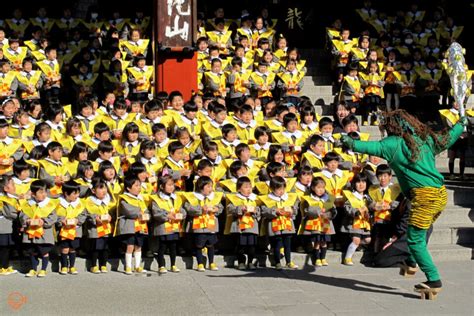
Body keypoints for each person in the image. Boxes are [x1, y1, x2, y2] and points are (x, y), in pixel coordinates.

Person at [340, 109, 468, 294]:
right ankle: (411, 262)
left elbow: (369, 147)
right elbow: (448, 138)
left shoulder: (392, 144)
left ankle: (434, 280)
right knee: (416, 230)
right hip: (439, 194)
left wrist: (350, 142)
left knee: (415, 240)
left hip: (424, 197)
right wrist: (460, 124)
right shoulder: (426, 139)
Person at [183, 176, 223, 272]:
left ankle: (211, 263)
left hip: (211, 225)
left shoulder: (214, 197)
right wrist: (201, 209)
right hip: (199, 227)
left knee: (211, 244)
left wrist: (216, 209)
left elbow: (220, 207)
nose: (211, 189)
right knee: (199, 245)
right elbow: (189, 208)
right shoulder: (193, 197)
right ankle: (200, 263)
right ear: (201, 187)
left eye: (211, 186)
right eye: (208, 187)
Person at [20, 180, 58, 277]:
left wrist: (44, 221)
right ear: (33, 194)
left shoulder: (49, 205)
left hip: (44, 233)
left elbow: (53, 217)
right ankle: (33, 268)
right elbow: (22, 215)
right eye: (40, 192)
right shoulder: (27, 204)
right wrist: (27, 220)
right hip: (31, 232)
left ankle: (43, 269)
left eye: (45, 191)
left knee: (44, 251)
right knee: (32, 251)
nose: (44, 194)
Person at [259, 176, 299, 270]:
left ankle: (289, 261)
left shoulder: (288, 198)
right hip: (275, 226)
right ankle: (277, 262)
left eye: (283, 188)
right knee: (277, 244)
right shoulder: (267, 199)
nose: (281, 191)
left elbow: (295, 209)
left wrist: (292, 211)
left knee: (287, 245)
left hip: (287, 225)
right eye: (278, 189)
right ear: (272, 189)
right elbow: (264, 211)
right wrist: (275, 211)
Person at [150, 175, 186, 273]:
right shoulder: (156, 199)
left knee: (173, 246)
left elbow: (182, 209)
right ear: (161, 186)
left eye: (172, 185)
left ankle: (173, 265)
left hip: (174, 227)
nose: (171, 187)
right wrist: (167, 216)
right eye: (169, 185)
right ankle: (161, 265)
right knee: (162, 246)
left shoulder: (177, 198)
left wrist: (181, 215)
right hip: (163, 227)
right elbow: (156, 213)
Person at [115, 176, 150, 275]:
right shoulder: (124, 198)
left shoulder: (140, 198)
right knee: (130, 246)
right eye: (136, 185)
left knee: (139, 246)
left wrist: (146, 215)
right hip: (130, 226)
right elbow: (128, 211)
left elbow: (146, 210)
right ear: (128, 188)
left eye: (139, 185)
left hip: (141, 225)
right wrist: (140, 213)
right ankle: (128, 266)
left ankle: (138, 266)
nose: (139, 188)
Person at [299, 177, 336, 266]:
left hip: (325, 223)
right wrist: (319, 211)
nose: (321, 190)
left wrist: (330, 213)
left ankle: (323, 257)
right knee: (317, 241)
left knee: (324, 241)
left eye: (322, 188)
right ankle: (317, 258)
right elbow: (307, 210)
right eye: (318, 188)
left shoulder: (328, 198)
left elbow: (333, 209)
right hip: (315, 224)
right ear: (312, 188)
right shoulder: (309, 198)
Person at [226, 176, 260, 270]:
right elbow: (230, 209)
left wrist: (255, 211)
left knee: (252, 245)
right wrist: (240, 208)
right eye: (245, 187)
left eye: (250, 186)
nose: (248, 189)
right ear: (239, 189)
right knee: (241, 245)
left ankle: (250, 262)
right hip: (240, 226)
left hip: (252, 226)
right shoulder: (235, 198)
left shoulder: (255, 199)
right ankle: (241, 261)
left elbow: (259, 211)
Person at [56, 180, 87, 275]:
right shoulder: (58, 203)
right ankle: (64, 266)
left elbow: (84, 214)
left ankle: (72, 266)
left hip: (75, 229)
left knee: (73, 248)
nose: (77, 195)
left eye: (78, 193)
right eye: (74, 193)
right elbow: (54, 215)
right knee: (65, 248)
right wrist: (61, 220)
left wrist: (78, 220)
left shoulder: (80, 203)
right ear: (66, 193)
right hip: (64, 230)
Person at [84, 178, 115, 273]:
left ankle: (103, 264)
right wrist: (95, 218)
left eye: (105, 188)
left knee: (105, 247)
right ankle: (93, 265)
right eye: (100, 188)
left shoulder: (109, 200)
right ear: (93, 190)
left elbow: (112, 211)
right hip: (95, 229)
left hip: (106, 227)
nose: (104, 190)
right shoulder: (89, 200)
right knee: (95, 247)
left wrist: (110, 217)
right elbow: (88, 214)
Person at [342, 173, 372, 265]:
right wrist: (356, 211)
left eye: (363, 182)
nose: (361, 184)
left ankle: (357, 246)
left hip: (365, 223)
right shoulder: (350, 196)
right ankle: (347, 258)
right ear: (354, 184)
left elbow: (371, 207)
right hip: (354, 223)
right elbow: (347, 208)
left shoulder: (368, 197)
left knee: (368, 240)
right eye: (358, 182)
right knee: (356, 240)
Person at [0, 176, 20, 275]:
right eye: (12, 184)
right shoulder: (4, 200)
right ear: (5, 188)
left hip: (8, 227)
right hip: (3, 227)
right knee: (3, 248)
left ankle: (5, 266)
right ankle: (2, 267)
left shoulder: (10, 198)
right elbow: (10, 213)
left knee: (7, 248)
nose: (14, 187)